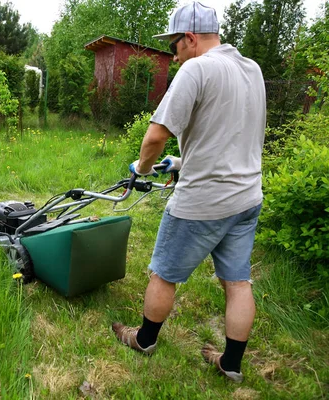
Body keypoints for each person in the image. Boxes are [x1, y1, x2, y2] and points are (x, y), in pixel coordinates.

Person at [112, 1, 266, 383]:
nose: (174, 54)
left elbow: (155, 136)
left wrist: (142, 168)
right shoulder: (251, 69)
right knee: (237, 282)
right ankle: (231, 364)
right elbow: (229, 137)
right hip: (247, 198)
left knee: (163, 273)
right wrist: (181, 164)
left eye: (175, 45)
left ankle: (144, 339)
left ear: (191, 38)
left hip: (203, 202)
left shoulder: (197, 68)